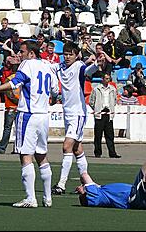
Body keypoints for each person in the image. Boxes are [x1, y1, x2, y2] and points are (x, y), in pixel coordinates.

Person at [0, 40, 60, 208]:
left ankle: (30, 198)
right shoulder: (48, 66)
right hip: (43, 116)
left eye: (22, 51)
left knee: (25, 155)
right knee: (41, 155)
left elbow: (15, 83)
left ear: (31, 54)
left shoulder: (27, 64)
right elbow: (56, 92)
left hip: (28, 115)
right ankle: (48, 197)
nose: (19, 55)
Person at [50, 41, 102, 195]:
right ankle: (87, 183)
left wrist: (97, 64)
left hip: (78, 113)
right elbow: (47, 68)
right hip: (67, 112)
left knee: (66, 146)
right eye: (65, 54)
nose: (67, 57)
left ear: (76, 55)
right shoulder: (59, 67)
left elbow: (88, 71)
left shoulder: (79, 66)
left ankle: (61, 184)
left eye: (70, 54)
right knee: (77, 149)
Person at [76, 159, 146, 212]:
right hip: (134, 198)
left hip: (144, 196)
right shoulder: (95, 196)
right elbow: (85, 175)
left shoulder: (100, 190)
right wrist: (82, 189)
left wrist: (86, 187)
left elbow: (92, 183)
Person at [89, 72, 121, 158]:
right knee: (98, 135)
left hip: (108, 113)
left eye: (109, 79)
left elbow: (114, 100)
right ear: (102, 79)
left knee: (110, 135)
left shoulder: (112, 89)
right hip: (100, 113)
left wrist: (111, 109)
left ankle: (112, 153)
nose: (108, 80)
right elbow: (91, 101)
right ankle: (98, 153)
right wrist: (96, 109)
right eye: (106, 78)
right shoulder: (96, 89)